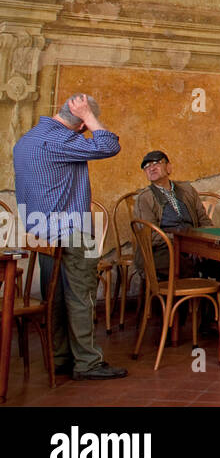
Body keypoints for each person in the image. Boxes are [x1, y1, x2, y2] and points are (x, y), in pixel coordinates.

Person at [11, 93, 126, 380]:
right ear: (81, 126)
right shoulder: (61, 140)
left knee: (55, 297)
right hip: (73, 230)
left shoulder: (27, 140)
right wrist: (90, 116)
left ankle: (59, 356)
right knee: (82, 295)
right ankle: (87, 363)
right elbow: (109, 145)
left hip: (40, 231)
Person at [133, 150, 213, 276]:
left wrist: (201, 245)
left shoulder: (188, 190)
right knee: (186, 266)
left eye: (156, 163)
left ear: (168, 167)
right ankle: (193, 295)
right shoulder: (144, 198)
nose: (151, 168)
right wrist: (184, 244)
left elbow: (204, 221)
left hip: (194, 246)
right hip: (160, 251)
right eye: (146, 167)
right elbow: (150, 236)